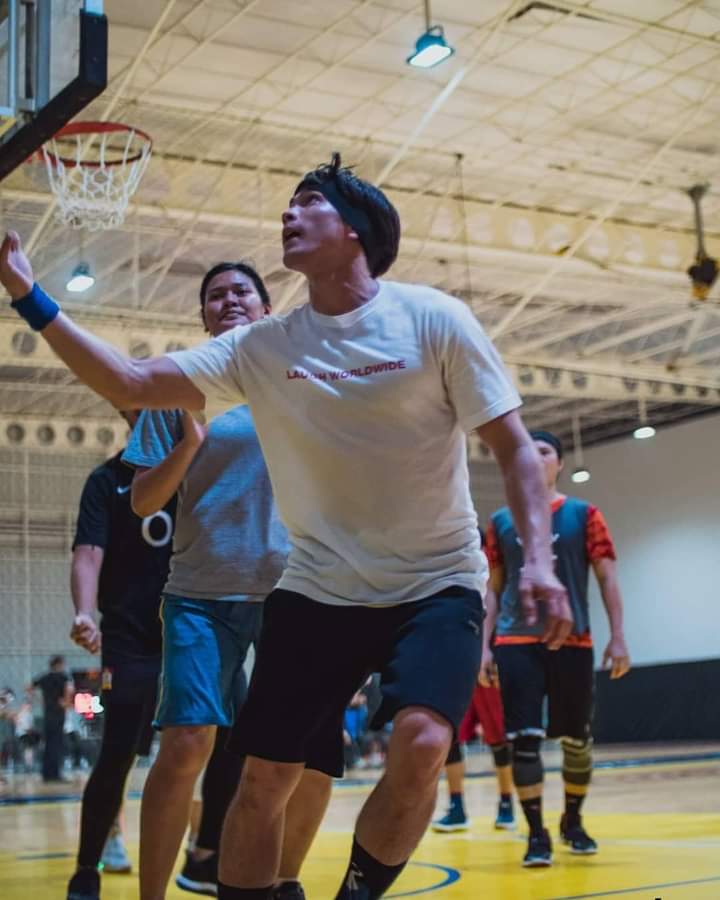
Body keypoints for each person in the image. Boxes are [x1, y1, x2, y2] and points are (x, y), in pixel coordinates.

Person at [0, 153, 572, 899]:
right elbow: (131, 383)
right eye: (288, 206)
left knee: (422, 742)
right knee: (263, 773)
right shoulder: (265, 348)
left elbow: (514, 449)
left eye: (307, 204)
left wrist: (537, 562)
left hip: (435, 579)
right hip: (313, 588)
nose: (288, 216)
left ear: (357, 230)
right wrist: (26, 293)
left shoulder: (433, 319)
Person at [122, 260, 336, 900]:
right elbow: (140, 503)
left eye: (241, 290)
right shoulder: (177, 385)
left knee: (311, 756)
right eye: (215, 295)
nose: (229, 300)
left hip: (295, 593)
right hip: (200, 595)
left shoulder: (299, 382)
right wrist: (187, 445)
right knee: (187, 745)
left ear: (266, 309)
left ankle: (283, 883)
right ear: (203, 316)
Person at [481, 429, 631, 868]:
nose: (536, 456)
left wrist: (618, 635)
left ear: (560, 462)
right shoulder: (502, 521)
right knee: (522, 742)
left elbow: (607, 578)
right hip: (515, 641)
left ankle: (572, 821)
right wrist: (484, 647)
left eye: (544, 450)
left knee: (577, 741)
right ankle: (536, 834)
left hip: (574, 640)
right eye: (528, 450)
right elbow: (492, 590)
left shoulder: (585, 514)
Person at [65, 419, 177, 900]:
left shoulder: (198, 472)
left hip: (191, 631)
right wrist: (84, 612)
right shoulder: (105, 481)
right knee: (119, 752)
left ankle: (207, 849)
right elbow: (88, 553)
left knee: (210, 745)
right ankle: (88, 866)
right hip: (128, 639)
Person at [432, 677, 515, 833]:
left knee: (498, 739)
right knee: (451, 735)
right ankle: (456, 808)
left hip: (486, 669)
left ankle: (506, 804)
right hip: (457, 672)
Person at [30, 655, 73, 782]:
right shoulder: (64, 677)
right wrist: (65, 703)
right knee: (56, 744)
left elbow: (28, 687)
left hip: (48, 714)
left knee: (48, 744)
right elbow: (68, 693)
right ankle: (55, 775)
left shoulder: (44, 677)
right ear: (59, 664)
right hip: (59, 715)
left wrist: (40, 700)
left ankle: (46, 774)